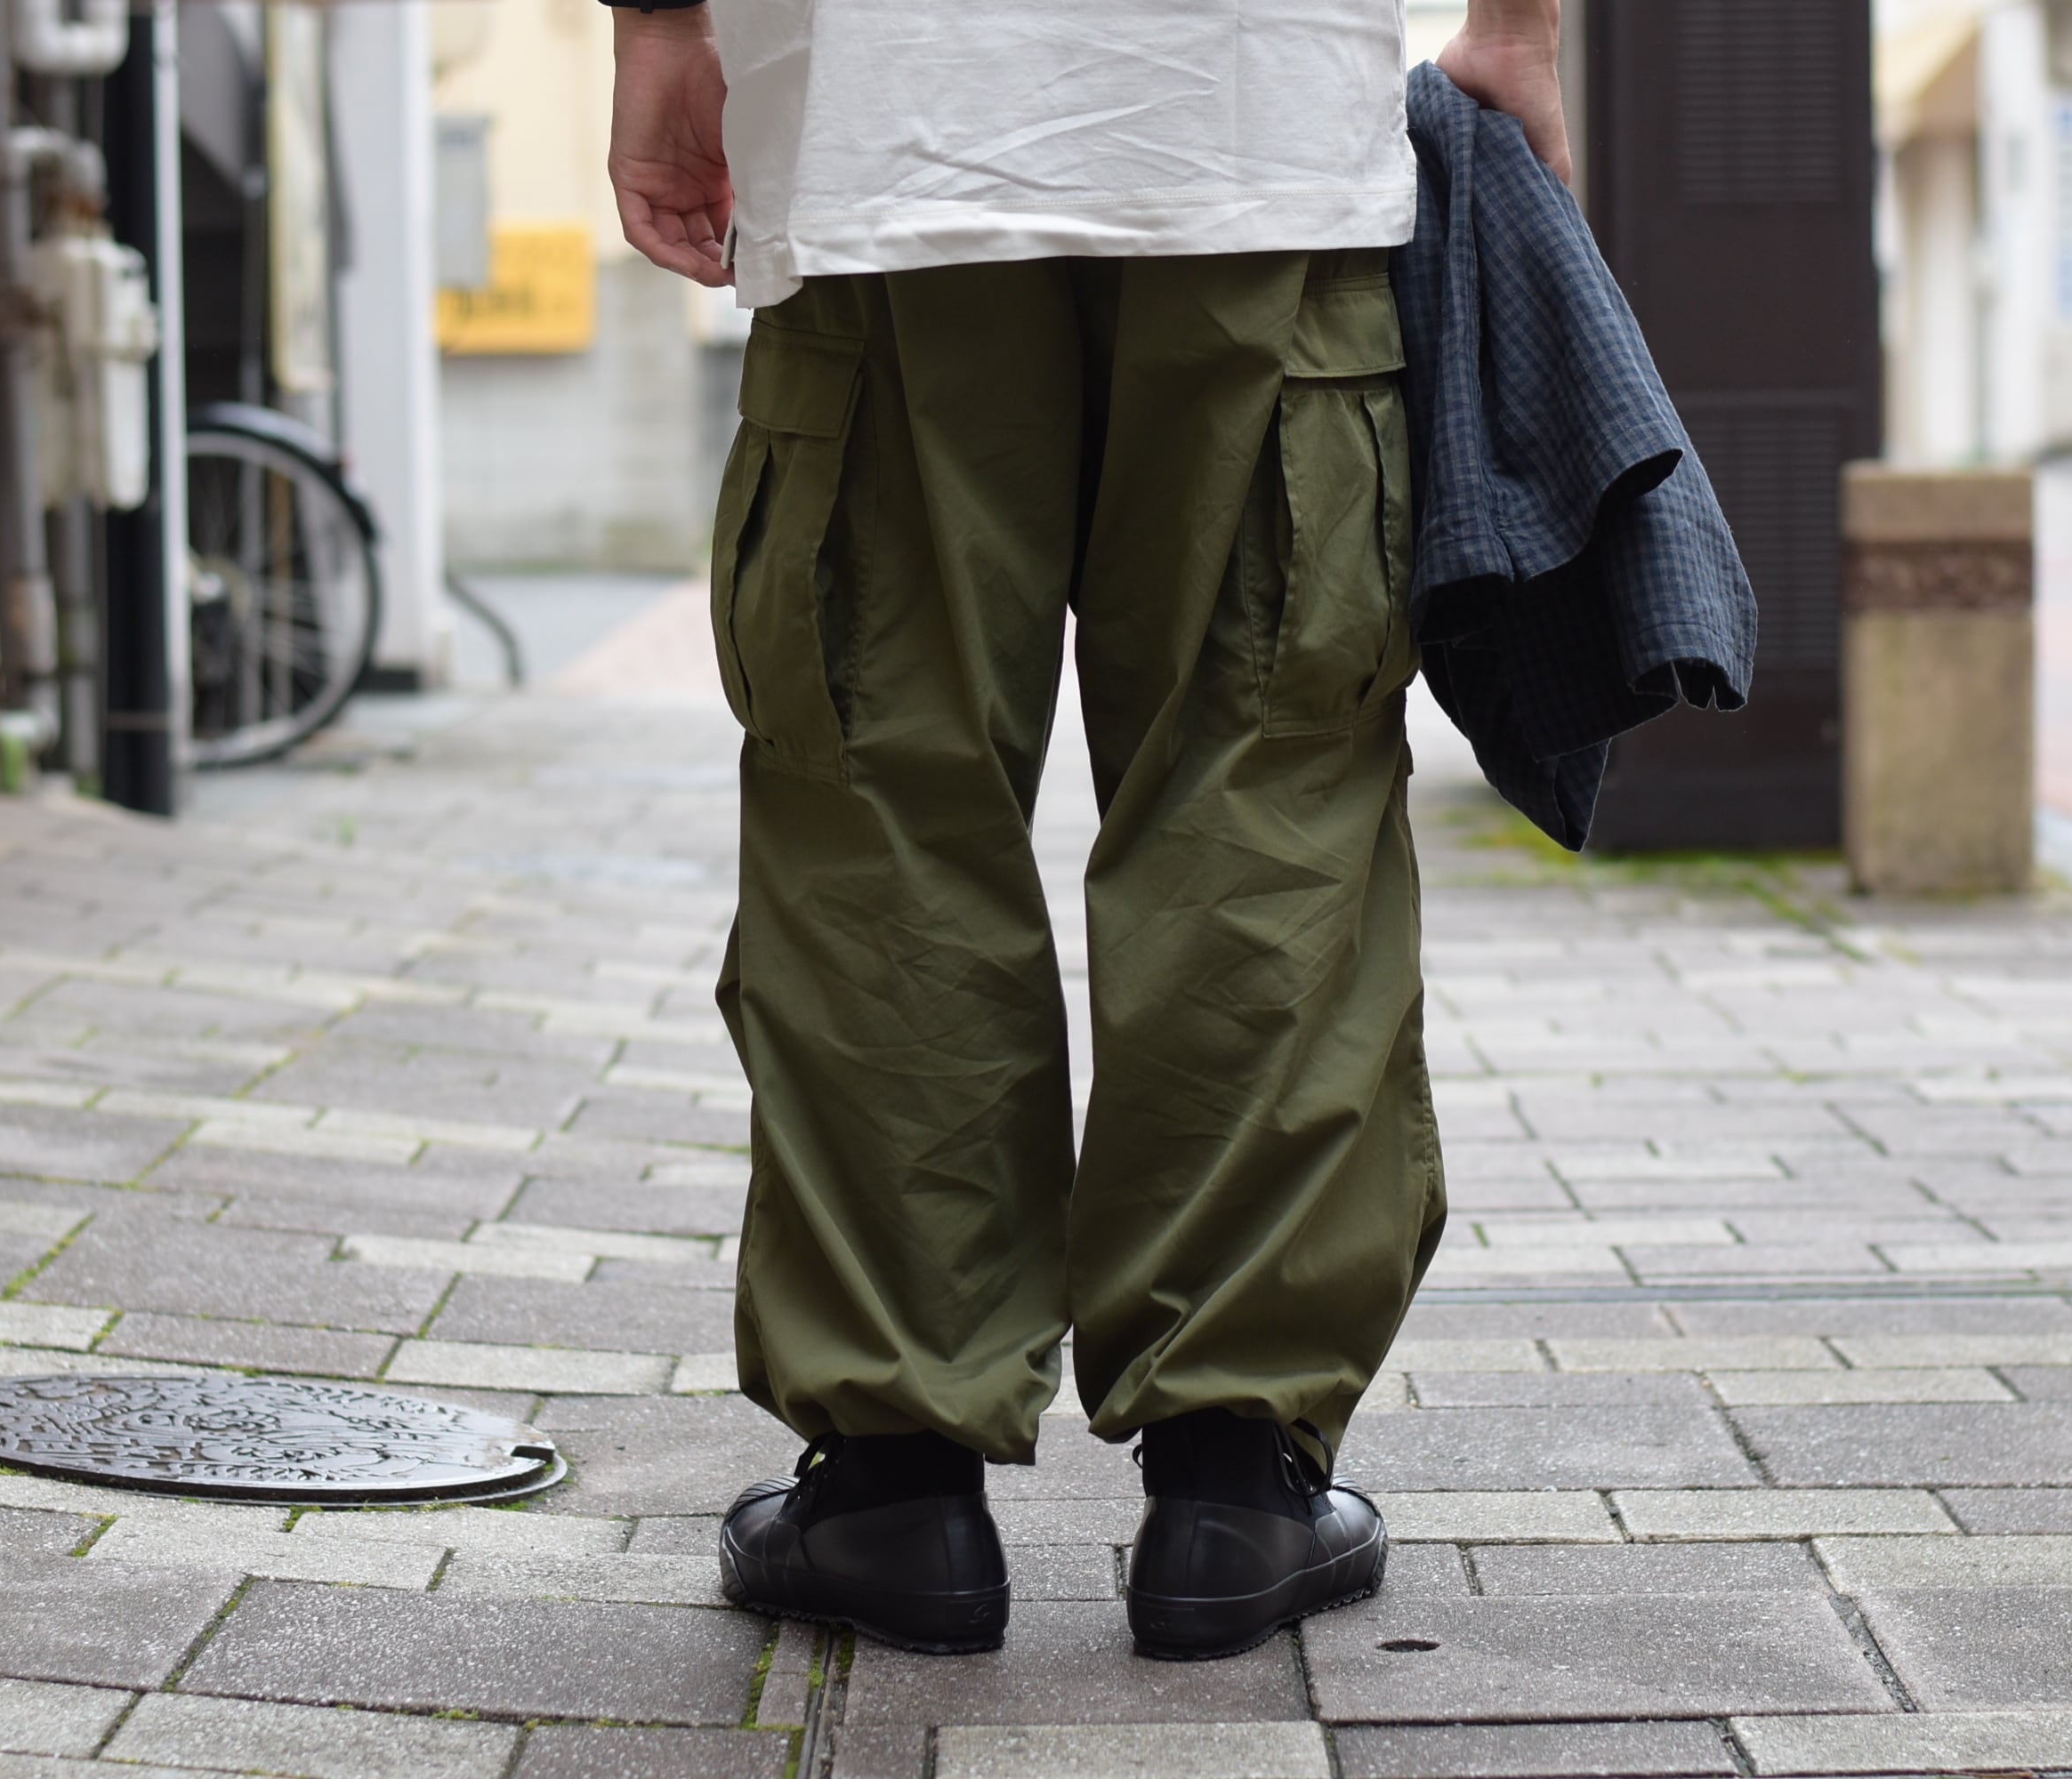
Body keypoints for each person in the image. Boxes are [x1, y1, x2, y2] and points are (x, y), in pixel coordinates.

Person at [603, 0, 1569, 1661]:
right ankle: (1233, 1488)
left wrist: (657, 25)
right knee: (1265, 792)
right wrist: (1519, 30)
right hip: (1255, 118)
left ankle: (896, 1489)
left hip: (886, 125)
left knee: (881, 806)